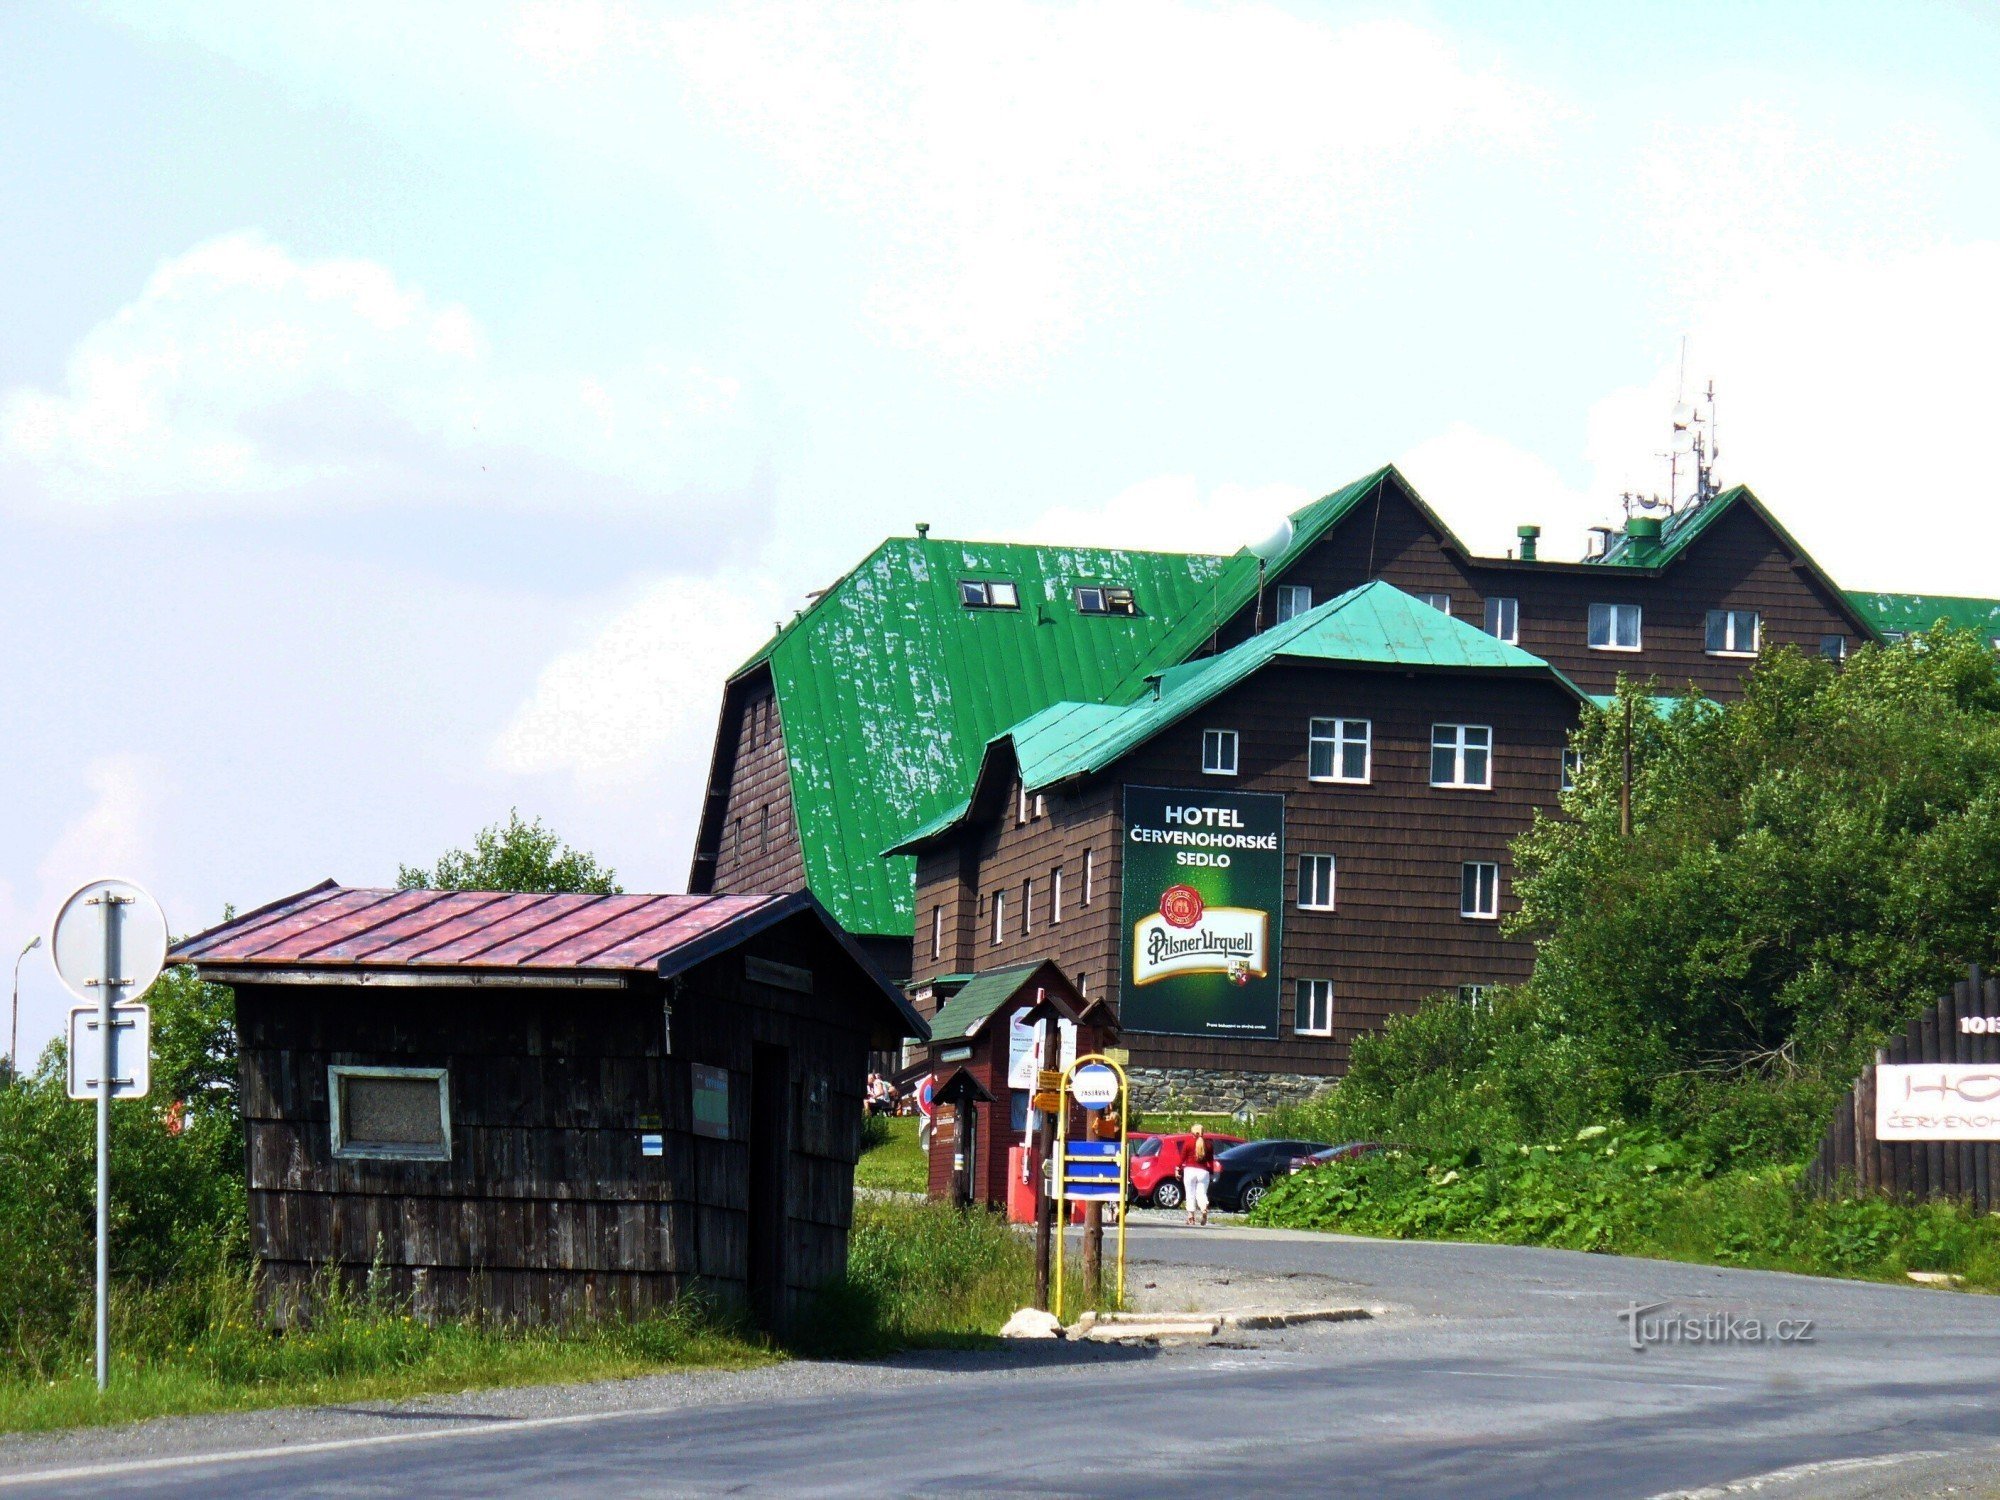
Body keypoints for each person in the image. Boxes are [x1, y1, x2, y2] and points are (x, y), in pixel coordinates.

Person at [1183, 1125, 1217, 1227]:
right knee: (1201, 1194)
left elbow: (1182, 1158)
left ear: (1193, 1133)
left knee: (1190, 1194)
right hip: (1203, 1172)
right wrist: (1211, 1172)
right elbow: (1211, 1161)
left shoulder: (1188, 1143)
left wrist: (1177, 1168)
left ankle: (1191, 1217)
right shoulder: (1209, 1144)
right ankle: (1203, 1208)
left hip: (1189, 1171)